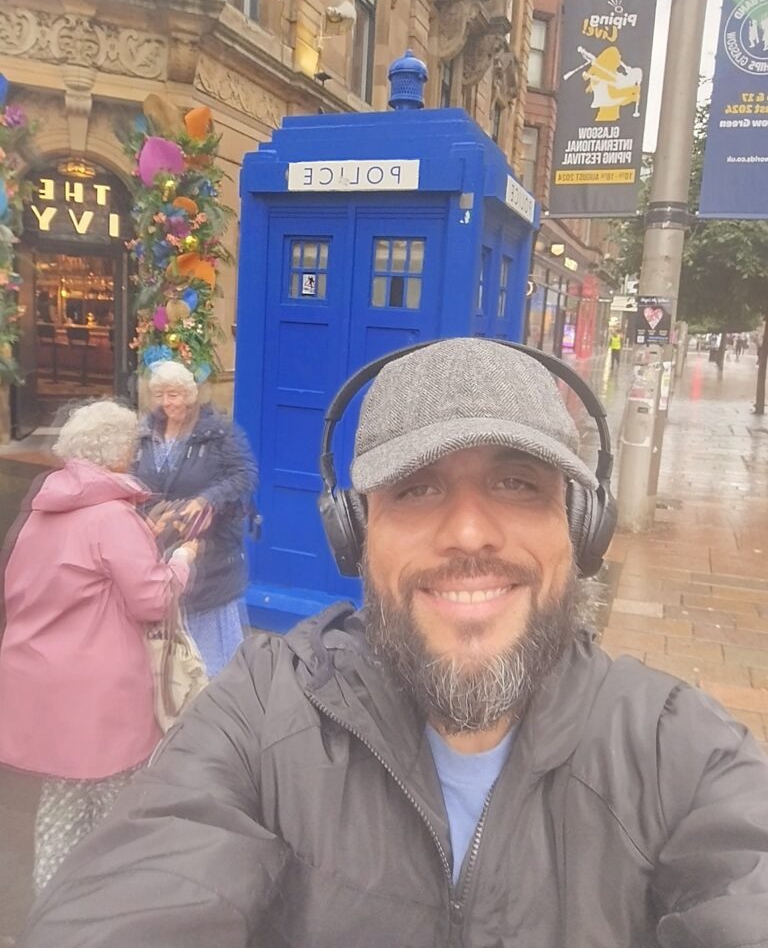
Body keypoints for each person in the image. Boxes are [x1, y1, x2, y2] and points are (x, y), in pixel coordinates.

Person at [18, 339, 768, 947]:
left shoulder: (683, 753)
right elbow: (136, 893)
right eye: (416, 488)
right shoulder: (258, 714)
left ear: (581, 530)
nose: (470, 531)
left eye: (517, 484)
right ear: (353, 534)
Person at [0, 400, 195, 895]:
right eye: (131, 442)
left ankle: (53, 911)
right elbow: (152, 599)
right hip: (102, 692)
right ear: (115, 452)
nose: (134, 450)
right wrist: (184, 561)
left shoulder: (44, 510)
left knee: (63, 806)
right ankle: (110, 908)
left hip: (43, 680)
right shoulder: (110, 517)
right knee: (118, 813)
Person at [133, 361, 257, 676]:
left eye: (175, 394)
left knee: (208, 654)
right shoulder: (145, 430)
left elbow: (245, 475)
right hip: (158, 546)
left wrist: (206, 500)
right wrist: (144, 514)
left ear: (191, 395)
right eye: (161, 395)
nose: (168, 402)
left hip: (207, 550)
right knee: (164, 651)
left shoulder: (218, 431)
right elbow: (133, 478)